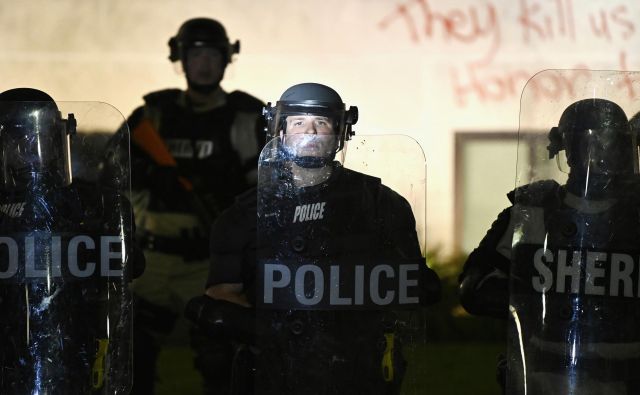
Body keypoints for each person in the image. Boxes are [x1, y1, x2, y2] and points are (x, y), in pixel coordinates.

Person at [186, 82, 441, 394]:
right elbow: (222, 293)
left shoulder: (380, 205)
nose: (310, 133)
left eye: (321, 123)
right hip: (274, 365)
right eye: (298, 123)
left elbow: (413, 286)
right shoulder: (243, 215)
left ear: (340, 133)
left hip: (359, 363)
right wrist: (275, 332)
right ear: (279, 132)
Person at [459, 97, 640, 394]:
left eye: (608, 144)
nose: (598, 154)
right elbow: (474, 289)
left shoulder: (635, 215)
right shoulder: (534, 211)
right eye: (589, 144)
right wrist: (538, 301)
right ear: (568, 149)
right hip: (547, 374)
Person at [124, 17, 265, 394]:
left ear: (226, 59)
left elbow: (265, 194)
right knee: (128, 355)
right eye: (195, 54)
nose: (203, 63)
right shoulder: (152, 115)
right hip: (150, 261)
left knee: (221, 359)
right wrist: (146, 173)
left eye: (211, 54)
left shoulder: (245, 119)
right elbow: (113, 175)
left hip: (208, 261)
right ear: (180, 58)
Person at [0, 88, 142, 394]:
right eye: (18, 139)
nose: (30, 148)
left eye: (40, 136)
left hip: (74, 349)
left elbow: (127, 269)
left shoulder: (95, 204)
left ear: (61, 136)